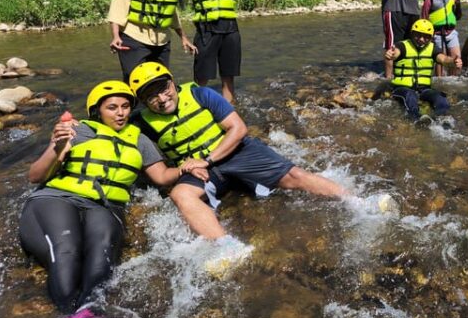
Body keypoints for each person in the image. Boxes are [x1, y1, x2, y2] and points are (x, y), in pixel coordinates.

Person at [18, 81, 201, 318]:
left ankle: (86, 314)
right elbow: (36, 175)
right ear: (98, 111)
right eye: (112, 107)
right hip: (57, 199)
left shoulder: (139, 139)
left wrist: (185, 167)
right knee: (67, 248)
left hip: (105, 206)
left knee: (102, 252)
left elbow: (161, 176)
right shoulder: (77, 130)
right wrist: (57, 147)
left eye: (125, 106)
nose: (121, 113)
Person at [128, 62, 349, 240]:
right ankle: (226, 247)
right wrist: (185, 167)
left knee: (294, 176)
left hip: (235, 152)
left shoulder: (201, 94)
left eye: (164, 89)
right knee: (180, 195)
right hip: (197, 170)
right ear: (143, 101)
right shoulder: (142, 124)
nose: (162, 98)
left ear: (172, 83)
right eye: (151, 96)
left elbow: (238, 128)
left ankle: (356, 202)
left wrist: (207, 159)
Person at [385, 19, 462, 121]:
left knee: (441, 99)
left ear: (430, 38)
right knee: (410, 95)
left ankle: (442, 120)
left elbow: (443, 59)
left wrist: (453, 61)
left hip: (424, 89)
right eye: (418, 35)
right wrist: (391, 54)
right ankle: (415, 119)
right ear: (412, 34)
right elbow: (396, 53)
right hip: (402, 88)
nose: (421, 39)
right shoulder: (402, 46)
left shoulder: (432, 48)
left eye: (426, 36)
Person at [421, 0, 462, 76]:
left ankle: (454, 78)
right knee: (440, 60)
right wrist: (427, 37)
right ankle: (440, 79)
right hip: (436, 34)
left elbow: (457, 16)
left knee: (457, 59)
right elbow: (424, 18)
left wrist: (458, 5)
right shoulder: (429, 0)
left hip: (451, 33)